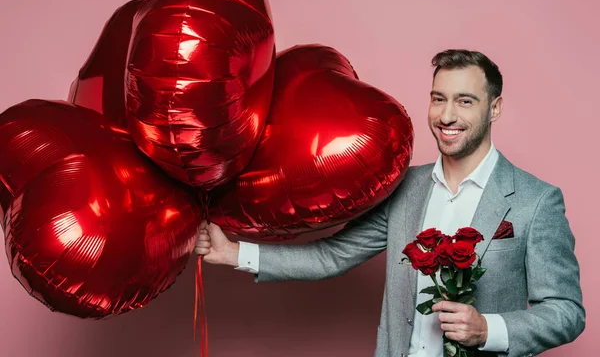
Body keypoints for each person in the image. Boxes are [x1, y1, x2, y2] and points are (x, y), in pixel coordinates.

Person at [194, 49, 585, 357]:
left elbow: (566, 312)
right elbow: (333, 256)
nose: (447, 115)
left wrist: (488, 329)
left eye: (465, 101)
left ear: (494, 108)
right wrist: (234, 253)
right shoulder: (406, 188)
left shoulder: (536, 201)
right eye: (438, 99)